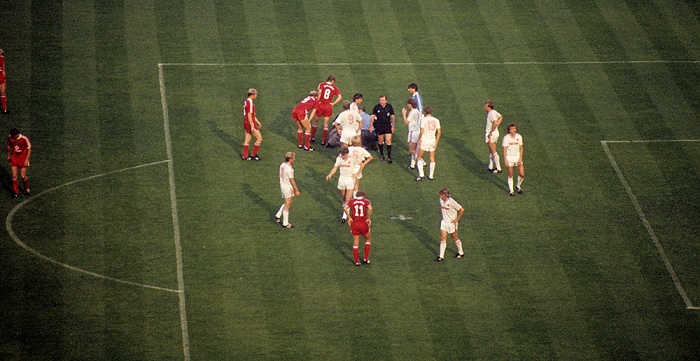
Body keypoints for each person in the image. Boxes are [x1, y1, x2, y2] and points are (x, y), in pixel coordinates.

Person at [326, 146, 366, 223]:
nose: (343, 156)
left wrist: (357, 173)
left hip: (350, 179)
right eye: (342, 155)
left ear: (347, 154)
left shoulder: (353, 158)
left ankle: (345, 216)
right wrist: (330, 174)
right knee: (344, 198)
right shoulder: (339, 158)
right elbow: (335, 167)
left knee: (348, 199)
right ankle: (346, 206)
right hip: (342, 179)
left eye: (344, 155)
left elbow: (362, 164)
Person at [344, 190, 373, 266]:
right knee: (367, 239)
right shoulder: (366, 201)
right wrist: (368, 218)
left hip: (355, 224)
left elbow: (345, 208)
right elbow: (370, 209)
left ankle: (357, 262)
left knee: (356, 243)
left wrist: (349, 217)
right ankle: (365, 259)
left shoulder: (352, 201)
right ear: (363, 196)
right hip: (363, 224)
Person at [435, 188, 465, 262]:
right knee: (443, 237)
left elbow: (461, 209)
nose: (440, 196)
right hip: (444, 222)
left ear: (445, 195)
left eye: (441, 195)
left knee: (454, 238)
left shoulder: (452, 202)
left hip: (451, 223)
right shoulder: (441, 200)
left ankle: (461, 252)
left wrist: (457, 219)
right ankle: (441, 256)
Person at [313, 75, 342, 145]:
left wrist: (318, 101)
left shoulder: (322, 84)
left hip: (321, 105)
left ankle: (312, 137)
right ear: (332, 81)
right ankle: (323, 141)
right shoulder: (334, 87)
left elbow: (319, 92)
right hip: (328, 106)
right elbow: (340, 97)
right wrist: (333, 103)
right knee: (326, 125)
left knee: (315, 122)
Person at [275, 152, 301, 228]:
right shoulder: (289, 169)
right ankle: (285, 223)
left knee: (289, 202)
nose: (294, 159)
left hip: (282, 184)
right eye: (293, 158)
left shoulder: (282, 165)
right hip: (287, 186)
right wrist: (296, 190)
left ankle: (278, 215)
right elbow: (292, 180)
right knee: (288, 204)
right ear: (290, 159)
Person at [415, 106, 441, 181]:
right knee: (432, 158)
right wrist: (436, 141)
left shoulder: (423, 120)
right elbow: (439, 132)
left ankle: (421, 175)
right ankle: (431, 176)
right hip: (432, 140)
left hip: (425, 140)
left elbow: (422, 131)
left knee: (419, 157)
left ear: (425, 112)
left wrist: (419, 139)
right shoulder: (436, 120)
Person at [370, 95, 395, 163]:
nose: (381, 101)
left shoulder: (389, 107)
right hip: (379, 126)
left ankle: (389, 157)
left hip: (387, 125)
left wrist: (393, 126)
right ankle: (382, 155)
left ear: (386, 101)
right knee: (380, 141)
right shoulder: (376, 107)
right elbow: (373, 117)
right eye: (380, 100)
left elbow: (392, 116)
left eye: (383, 100)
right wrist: (371, 126)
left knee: (388, 140)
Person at [7, 128, 30, 198]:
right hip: (14, 158)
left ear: (17, 135)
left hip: (22, 159)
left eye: (13, 136)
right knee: (14, 176)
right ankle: (15, 192)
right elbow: (9, 145)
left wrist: (27, 159)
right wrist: (8, 155)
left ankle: (26, 188)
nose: (12, 137)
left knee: (23, 176)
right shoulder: (10, 138)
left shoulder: (24, 139)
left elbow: (29, 148)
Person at [502, 123, 525, 197]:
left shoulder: (519, 136)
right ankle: (511, 190)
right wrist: (505, 160)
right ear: (509, 130)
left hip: (517, 157)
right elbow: (504, 150)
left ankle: (518, 186)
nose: (514, 130)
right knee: (510, 174)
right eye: (512, 129)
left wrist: (520, 158)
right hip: (510, 158)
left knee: (522, 174)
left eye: (515, 128)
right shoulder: (506, 138)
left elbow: (521, 148)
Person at [242, 88, 262, 161]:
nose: (256, 96)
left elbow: (252, 115)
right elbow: (250, 115)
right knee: (259, 138)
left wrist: (257, 121)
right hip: (250, 123)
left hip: (246, 122)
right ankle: (253, 155)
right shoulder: (250, 103)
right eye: (256, 94)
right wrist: (252, 125)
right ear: (252, 95)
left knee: (248, 138)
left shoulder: (246, 102)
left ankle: (245, 156)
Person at [402, 98, 421, 169]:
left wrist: (404, 114)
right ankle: (412, 165)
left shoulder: (412, 112)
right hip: (418, 131)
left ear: (410, 105)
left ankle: (422, 161)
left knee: (411, 150)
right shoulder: (418, 111)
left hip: (413, 132)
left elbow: (406, 122)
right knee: (415, 149)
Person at [484, 100, 502, 173]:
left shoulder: (491, 113)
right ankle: (490, 166)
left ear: (489, 107)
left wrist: (491, 131)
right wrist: (497, 125)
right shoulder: (494, 112)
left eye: (485, 106)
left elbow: (495, 122)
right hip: (495, 132)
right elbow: (500, 117)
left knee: (493, 151)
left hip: (491, 133)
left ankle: (498, 168)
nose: (484, 108)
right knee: (491, 150)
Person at [0, 48, 8, 114]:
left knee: (3, 92)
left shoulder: (2, 58)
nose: (1, 52)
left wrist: (4, 77)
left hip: (1, 77)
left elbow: (3, 68)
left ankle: (4, 109)